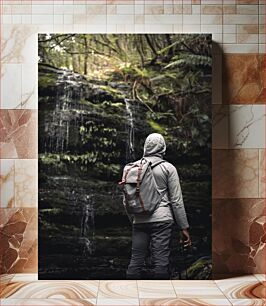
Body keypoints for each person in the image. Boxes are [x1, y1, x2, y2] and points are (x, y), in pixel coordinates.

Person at [125, 133, 191, 280]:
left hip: (139, 219)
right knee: (161, 262)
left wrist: (134, 219)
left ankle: (128, 296)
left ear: (145, 147)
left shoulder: (134, 168)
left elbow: (127, 198)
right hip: (162, 220)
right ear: (163, 147)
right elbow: (176, 200)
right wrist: (184, 227)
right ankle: (159, 297)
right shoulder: (168, 168)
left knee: (136, 260)